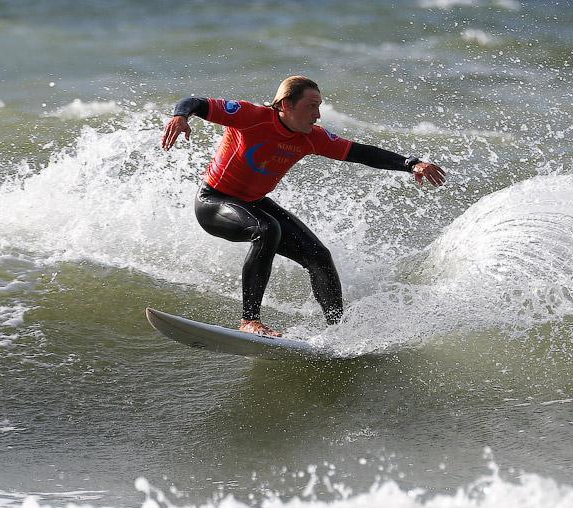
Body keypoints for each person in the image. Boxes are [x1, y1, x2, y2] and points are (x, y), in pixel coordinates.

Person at [161, 76, 446, 337]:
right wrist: (180, 116)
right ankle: (250, 320)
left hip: (253, 203)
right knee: (266, 229)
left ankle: (338, 330)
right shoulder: (251, 117)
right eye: (311, 106)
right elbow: (195, 102)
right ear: (286, 104)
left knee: (319, 256)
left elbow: (361, 153)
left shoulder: (311, 137)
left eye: (319, 107)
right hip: (214, 202)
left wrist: (411, 164)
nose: (318, 114)